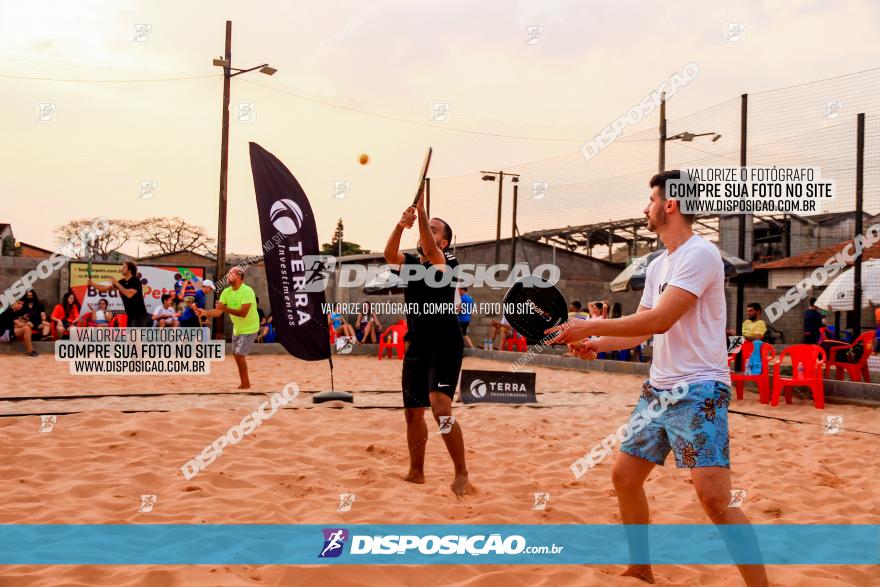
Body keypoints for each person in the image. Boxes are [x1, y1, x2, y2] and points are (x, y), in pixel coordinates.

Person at [547, 170, 767, 587]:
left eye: (650, 199)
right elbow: (644, 329)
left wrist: (586, 327)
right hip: (659, 390)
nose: (644, 208)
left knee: (715, 499)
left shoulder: (701, 254)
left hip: (700, 388)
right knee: (624, 476)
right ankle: (641, 569)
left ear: (671, 204)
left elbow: (662, 319)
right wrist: (595, 342)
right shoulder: (658, 263)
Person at [384, 186, 472, 496]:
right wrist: (400, 224)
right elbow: (388, 255)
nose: (427, 232)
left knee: (440, 407)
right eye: (427, 227)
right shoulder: (410, 263)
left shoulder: (446, 263)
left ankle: (461, 473)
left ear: (444, 241)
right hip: (417, 344)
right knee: (412, 411)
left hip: (445, 343)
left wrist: (420, 212)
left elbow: (432, 251)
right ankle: (416, 472)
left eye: (434, 230)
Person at [196, 266, 259, 389]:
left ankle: (246, 384)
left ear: (239, 277)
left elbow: (243, 313)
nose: (228, 276)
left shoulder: (247, 291)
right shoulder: (226, 292)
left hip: (250, 327)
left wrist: (225, 308)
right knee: (236, 355)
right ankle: (244, 383)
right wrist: (205, 313)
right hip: (238, 328)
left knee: (239, 355)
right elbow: (218, 312)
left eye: (231, 274)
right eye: (228, 274)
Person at [88, 261, 150, 327]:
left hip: (140, 316)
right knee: (130, 337)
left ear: (129, 270)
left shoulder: (136, 281)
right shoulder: (122, 282)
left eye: (124, 267)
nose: (121, 268)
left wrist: (117, 284)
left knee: (135, 337)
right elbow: (104, 288)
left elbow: (128, 294)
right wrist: (92, 284)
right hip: (130, 315)